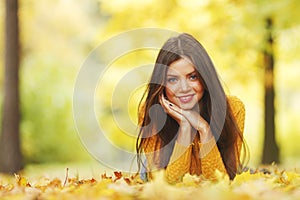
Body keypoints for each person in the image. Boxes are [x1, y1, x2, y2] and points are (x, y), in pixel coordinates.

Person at [136, 33, 248, 184]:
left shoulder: (233, 108)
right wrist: (185, 128)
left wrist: (204, 130)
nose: (184, 88)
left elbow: (221, 183)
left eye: (192, 77)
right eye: (173, 79)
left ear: (205, 77)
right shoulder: (150, 112)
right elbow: (169, 187)